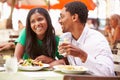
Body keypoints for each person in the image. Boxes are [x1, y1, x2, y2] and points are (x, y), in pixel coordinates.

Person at [55, 1, 114, 76]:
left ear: (74, 17)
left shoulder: (97, 39)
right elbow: (69, 65)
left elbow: (108, 73)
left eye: (62, 17)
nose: (59, 21)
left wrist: (82, 55)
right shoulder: (66, 37)